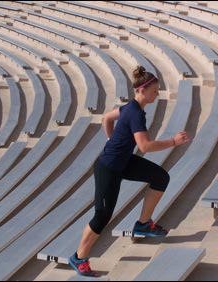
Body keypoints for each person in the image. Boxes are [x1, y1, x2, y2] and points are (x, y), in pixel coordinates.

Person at [69, 66, 192, 277]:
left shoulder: (129, 108)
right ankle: (79, 258)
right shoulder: (135, 114)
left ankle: (143, 223)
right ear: (142, 91)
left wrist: (112, 140)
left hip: (122, 161)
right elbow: (144, 146)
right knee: (102, 215)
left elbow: (107, 118)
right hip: (109, 168)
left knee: (160, 178)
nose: (157, 94)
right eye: (155, 90)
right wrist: (173, 141)